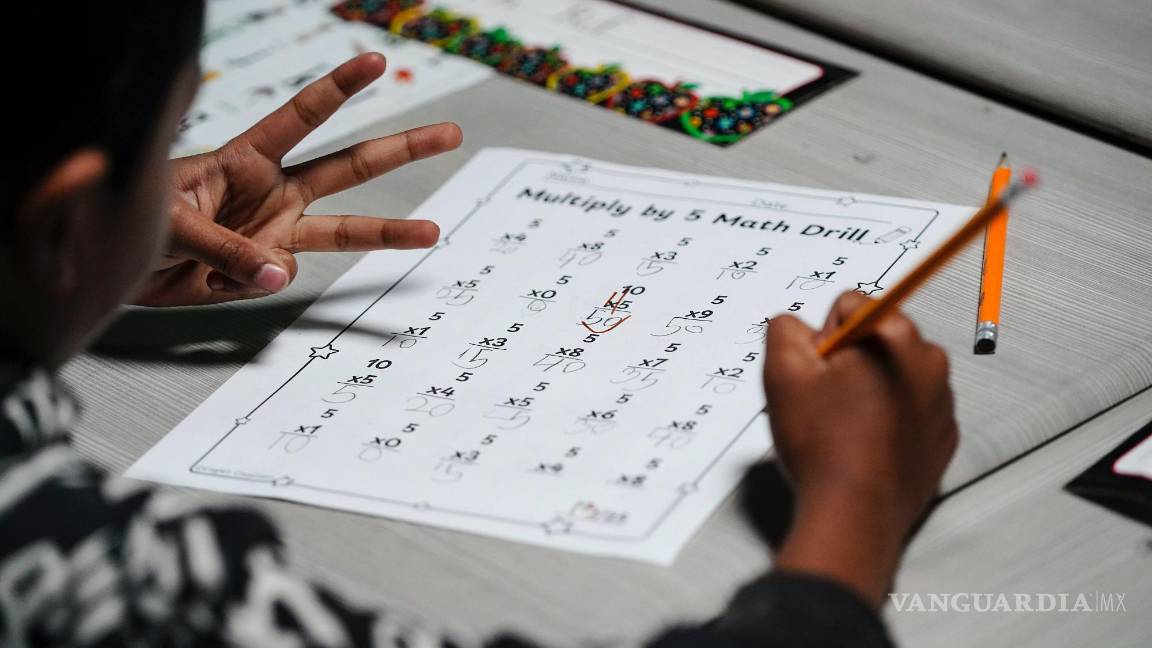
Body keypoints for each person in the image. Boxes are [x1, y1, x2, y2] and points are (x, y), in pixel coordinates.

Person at [0, 3, 957, 646]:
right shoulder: (79, 562)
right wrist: (856, 507)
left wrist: (73, 263)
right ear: (59, 219)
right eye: (171, 134)